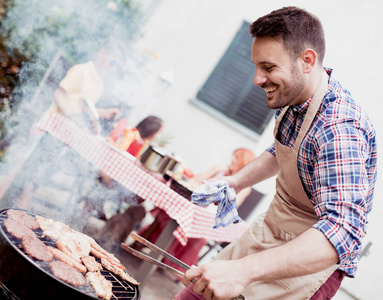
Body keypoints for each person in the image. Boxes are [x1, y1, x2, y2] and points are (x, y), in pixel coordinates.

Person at [176, 6, 377, 300]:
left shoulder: (339, 129)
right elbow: (283, 152)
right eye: (256, 66)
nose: (257, 79)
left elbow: (343, 232)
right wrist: (235, 183)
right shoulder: (292, 97)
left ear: (307, 60)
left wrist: (241, 271)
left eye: (268, 68)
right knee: (192, 295)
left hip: (308, 265)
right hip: (270, 233)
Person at [134, 148, 256, 275]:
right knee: (169, 213)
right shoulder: (221, 172)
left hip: (208, 217)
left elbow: (231, 206)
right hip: (194, 205)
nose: (231, 160)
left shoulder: (245, 187)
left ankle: (167, 255)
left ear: (242, 163)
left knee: (180, 221)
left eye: (236, 158)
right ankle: (162, 251)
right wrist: (214, 170)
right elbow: (194, 181)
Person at [45, 37, 126, 134]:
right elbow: (58, 94)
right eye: (112, 62)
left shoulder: (100, 84)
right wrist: (72, 117)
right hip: (52, 125)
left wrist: (101, 114)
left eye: (117, 66)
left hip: (67, 132)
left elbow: (83, 107)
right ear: (101, 53)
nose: (114, 68)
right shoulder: (81, 71)